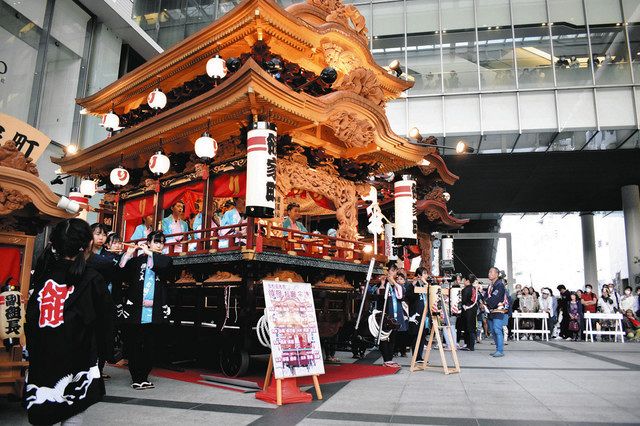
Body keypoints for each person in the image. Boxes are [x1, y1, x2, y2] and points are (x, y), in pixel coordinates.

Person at [25, 219, 113, 425]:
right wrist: (105, 353)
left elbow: (31, 317)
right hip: (78, 354)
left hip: (43, 354)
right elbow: (105, 320)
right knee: (73, 409)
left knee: (45, 409)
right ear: (89, 244)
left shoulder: (43, 276)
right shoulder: (92, 278)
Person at [119, 231, 173, 389]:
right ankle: (136, 378)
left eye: (162, 242)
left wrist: (150, 253)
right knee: (135, 345)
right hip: (136, 310)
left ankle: (144, 377)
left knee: (151, 345)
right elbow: (121, 274)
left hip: (154, 311)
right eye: (156, 241)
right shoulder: (137, 261)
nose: (159, 245)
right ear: (148, 242)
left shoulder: (165, 260)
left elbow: (165, 266)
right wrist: (128, 255)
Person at [376, 262, 406, 368]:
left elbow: (400, 296)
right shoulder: (386, 284)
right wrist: (383, 284)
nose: (391, 273)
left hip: (395, 315)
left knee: (393, 337)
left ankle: (389, 359)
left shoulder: (398, 285)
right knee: (384, 336)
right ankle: (386, 359)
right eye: (390, 271)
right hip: (386, 314)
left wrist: (393, 281)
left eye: (394, 271)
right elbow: (379, 297)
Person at [405, 266, 430, 362]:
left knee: (423, 335)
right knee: (416, 335)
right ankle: (416, 356)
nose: (426, 275)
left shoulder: (426, 285)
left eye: (426, 273)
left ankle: (419, 356)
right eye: (424, 273)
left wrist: (425, 283)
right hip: (416, 314)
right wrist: (413, 284)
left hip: (425, 315)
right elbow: (408, 296)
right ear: (419, 275)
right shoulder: (414, 285)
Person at [485, 266, 508, 357]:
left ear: (497, 274)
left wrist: (486, 302)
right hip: (491, 310)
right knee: (493, 330)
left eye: (491, 272)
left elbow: (495, 298)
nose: (489, 274)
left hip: (498, 310)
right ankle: (498, 349)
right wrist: (485, 302)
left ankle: (500, 350)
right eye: (489, 272)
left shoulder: (500, 285)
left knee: (497, 329)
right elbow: (486, 296)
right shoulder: (491, 285)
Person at [460, 274, 479, 351]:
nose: (463, 281)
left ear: (467, 281)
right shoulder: (474, 289)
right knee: (472, 328)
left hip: (467, 310)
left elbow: (463, 300)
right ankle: (471, 345)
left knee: (467, 328)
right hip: (473, 310)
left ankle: (469, 345)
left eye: (464, 280)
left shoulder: (465, 290)